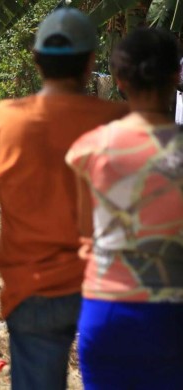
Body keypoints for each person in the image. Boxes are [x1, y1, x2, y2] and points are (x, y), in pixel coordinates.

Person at [0, 8, 128, 390]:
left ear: (36, 59)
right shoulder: (119, 121)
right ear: (91, 60)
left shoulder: (4, 118)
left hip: (31, 289)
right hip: (107, 288)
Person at [66, 28, 183, 389]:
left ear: (118, 80)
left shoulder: (89, 148)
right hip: (172, 315)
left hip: (105, 313)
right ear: (176, 76)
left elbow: (84, 234)